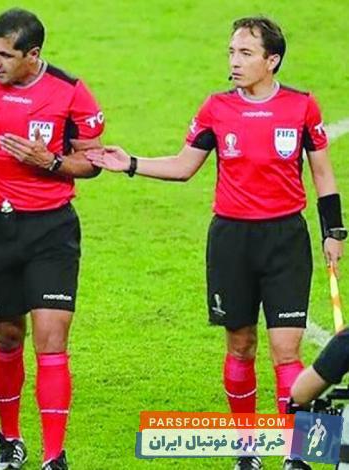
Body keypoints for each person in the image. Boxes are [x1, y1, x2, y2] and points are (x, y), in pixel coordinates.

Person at [89, 16, 345, 470]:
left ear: (272, 60)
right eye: (231, 52)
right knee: (240, 346)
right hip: (231, 241)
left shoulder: (301, 106)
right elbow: (183, 166)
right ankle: (247, 448)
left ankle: (295, 453)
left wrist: (333, 231)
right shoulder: (216, 108)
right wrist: (130, 163)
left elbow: (322, 173)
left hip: (285, 240)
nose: (234, 61)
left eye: (245, 53)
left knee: (287, 351)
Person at [0, 8, 105, 470]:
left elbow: (93, 162)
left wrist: (51, 162)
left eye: (5, 55)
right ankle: (9, 438)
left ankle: (54, 455)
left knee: (51, 340)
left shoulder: (70, 91)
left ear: (33, 54)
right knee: (6, 336)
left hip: (51, 231)